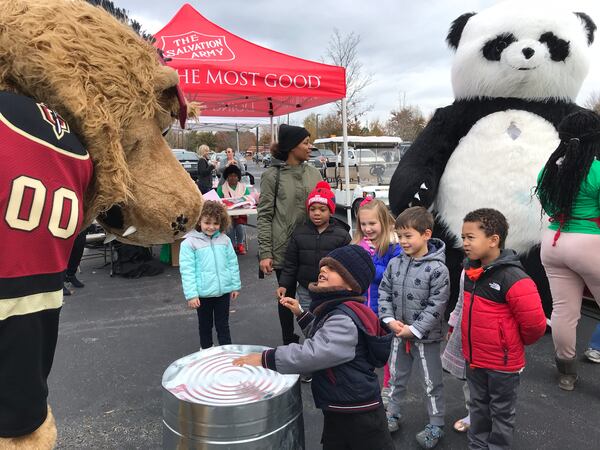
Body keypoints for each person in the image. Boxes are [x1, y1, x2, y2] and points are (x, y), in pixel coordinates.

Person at [233, 245, 394, 450]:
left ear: (352, 284)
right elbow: (325, 339)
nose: (324, 270)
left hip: (358, 412)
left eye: (334, 269)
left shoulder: (344, 317)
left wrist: (266, 358)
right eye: (324, 266)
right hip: (341, 405)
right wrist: (302, 314)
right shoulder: (339, 308)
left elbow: (315, 353)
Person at [460, 208, 546, 449]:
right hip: (475, 360)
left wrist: (510, 343)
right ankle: (477, 445)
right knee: (478, 407)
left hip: (503, 364)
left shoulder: (513, 277)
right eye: (463, 237)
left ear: (494, 240)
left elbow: (535, 325)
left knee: (501, 413)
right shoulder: (470, 271)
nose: (464, 242)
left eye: (470, 237)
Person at [535, 110, 600, 391]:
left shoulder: (549, 169)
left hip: (553, 243)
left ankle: (566, 373)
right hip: (589, 243)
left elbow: (548, 206)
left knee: (563, 310)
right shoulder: (597, 170)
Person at [378, 206, 449, 449]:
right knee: (396, 377)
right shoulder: (395, 263)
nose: (403, 241)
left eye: (408, 236)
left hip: (426, 338)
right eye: (400, 236)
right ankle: (393, 414)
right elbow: (384, 292)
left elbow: (437, 305)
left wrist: (415, 330)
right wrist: (389, 320)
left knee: (431, 382)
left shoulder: (439, 269)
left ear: (426, 234)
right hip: (398, 333)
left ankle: (436, 424)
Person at [257, 124, 322, 345]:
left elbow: (325, 206)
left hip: (312, 247)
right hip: (284, 248)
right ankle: (288, 341)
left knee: (314, 295)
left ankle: (317, 340)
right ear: (292, 147)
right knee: (286, 297)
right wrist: (265, 252)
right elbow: (264, 215)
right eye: (305, 142)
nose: (310, 147)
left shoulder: (314, 173)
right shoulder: (271, 175)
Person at [352, 197, 401, 405]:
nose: (367, 228)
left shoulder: (393, 247)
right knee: (363, 350)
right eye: (363, 224)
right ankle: (365, 385)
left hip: (385, 310)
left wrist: (369, 261)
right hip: (363, 308)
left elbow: (392, 275)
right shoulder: (357, 244)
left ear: (384, 221)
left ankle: (388, 389)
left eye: (372, 223)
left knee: (389, 353)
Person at [277, 180, 351, 311]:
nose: (317, 213)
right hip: (306, 288)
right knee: (308, 318)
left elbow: (347, 265)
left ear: (331, 211)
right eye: (312, 209)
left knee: (329, 318)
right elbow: (290, 263)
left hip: (332, 289)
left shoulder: (342, 235)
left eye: (322, 209)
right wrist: (284, 284)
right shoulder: (299, 233)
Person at [179, 201, 241, 349]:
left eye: (216, 223)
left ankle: (227, 351)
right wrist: (191, 295)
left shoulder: (225, 240)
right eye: (207, 222)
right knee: (205, 325)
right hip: (203, 294)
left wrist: (235, 286)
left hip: (223, 292)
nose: (211, 227)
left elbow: (232, 264)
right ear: (198, 221)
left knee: (223, 324)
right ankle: (206, 350)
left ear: (222, 222)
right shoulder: (189, 243)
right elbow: (187, 270)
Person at [441, 270, 471, 434]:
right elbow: (461, 301)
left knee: (495, 384)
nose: (466, 243)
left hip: (495, 343)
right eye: (465, 241)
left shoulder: (508, 273)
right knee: (471, 378)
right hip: (468, 335)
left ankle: (496, 418)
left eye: (471, 241)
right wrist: (452, 326)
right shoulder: (466, 271)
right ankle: (473, 414)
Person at [217, 165, 251, 255]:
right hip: (227, 215)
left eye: (235, 176)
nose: (233, 178)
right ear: (227, 177)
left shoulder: (244, 188)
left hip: (241, 215)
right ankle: (232, 245)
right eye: (230, 176)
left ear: (238, 177)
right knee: (230, 227)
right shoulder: (221, 189)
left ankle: (240, 244)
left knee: (240, 226)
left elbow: (248, 200)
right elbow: (218, 203)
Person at [63, 229, 87, 296]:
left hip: (78, 222)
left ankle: (70, 275)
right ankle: (58, 283)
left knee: (78, 248)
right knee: (61, 252)